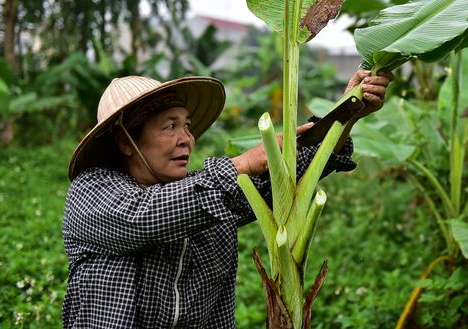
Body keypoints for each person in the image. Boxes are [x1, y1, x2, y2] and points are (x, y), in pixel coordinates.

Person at [62, 70, 392, 328]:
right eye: (169, 127)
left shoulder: (205, 193)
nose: (185, 140)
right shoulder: (90, 193)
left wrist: (348, 112)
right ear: (125, 142)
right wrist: (242, 164)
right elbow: (145, 218)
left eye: (187, 125)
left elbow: (286, 178)